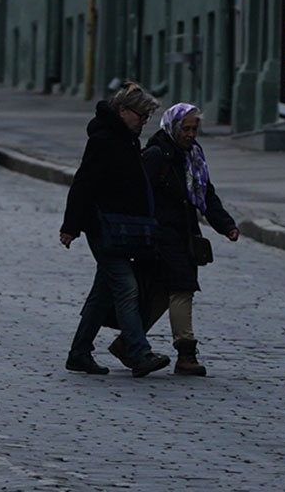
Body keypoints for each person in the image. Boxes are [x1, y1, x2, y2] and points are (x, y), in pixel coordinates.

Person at [59, 81, 173, 377]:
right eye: (141, 116)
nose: (144, 122)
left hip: (123, 228)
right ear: (123, 111)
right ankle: (139, 352)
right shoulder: (104, 140)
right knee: (125, 286)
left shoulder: (126, 139)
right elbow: (84, 182)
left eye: (148, 118)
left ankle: (79, 352)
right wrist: (70, 226)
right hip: (105, 227)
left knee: (103, 293)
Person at [135, 102, 239, 376]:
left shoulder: (192, 156)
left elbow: (206, 195)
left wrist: (226, 225)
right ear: (173, 127)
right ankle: (186, 354)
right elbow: (137, 195)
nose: (191, 134)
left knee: (160, 292)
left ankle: (128, 343)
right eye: (186, 128)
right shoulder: (157, 155)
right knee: (182, 287)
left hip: (183, 234)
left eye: (195, 129)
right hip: (160, 235)